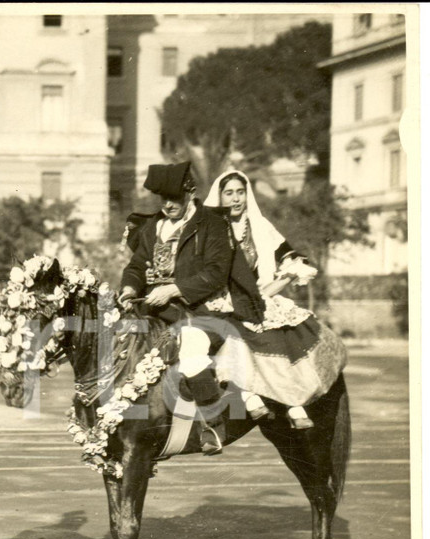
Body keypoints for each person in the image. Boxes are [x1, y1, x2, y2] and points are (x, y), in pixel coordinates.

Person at [119, 162, 266, 455]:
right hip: (158, 311)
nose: (168, 205)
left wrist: (174, 289)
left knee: (190, 350)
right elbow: (137, 266)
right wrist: (129, 288)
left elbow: (216, 271)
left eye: (174, 198)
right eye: (163, 199)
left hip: (206, 312)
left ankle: (213, 426)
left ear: (190, 193)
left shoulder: (212, 224)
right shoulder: (153, 227)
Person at [205, 169, 342, 429]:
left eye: (240, 192)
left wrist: (285, 275)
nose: (235, 199)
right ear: (219, 197)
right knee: (232, 333)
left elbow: (289, 255)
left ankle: (294, 402)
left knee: (285, 334)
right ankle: (248, 395)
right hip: (223, 298)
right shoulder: (209, 229)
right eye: (229, 193)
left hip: (260, 295)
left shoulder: (260, 226)